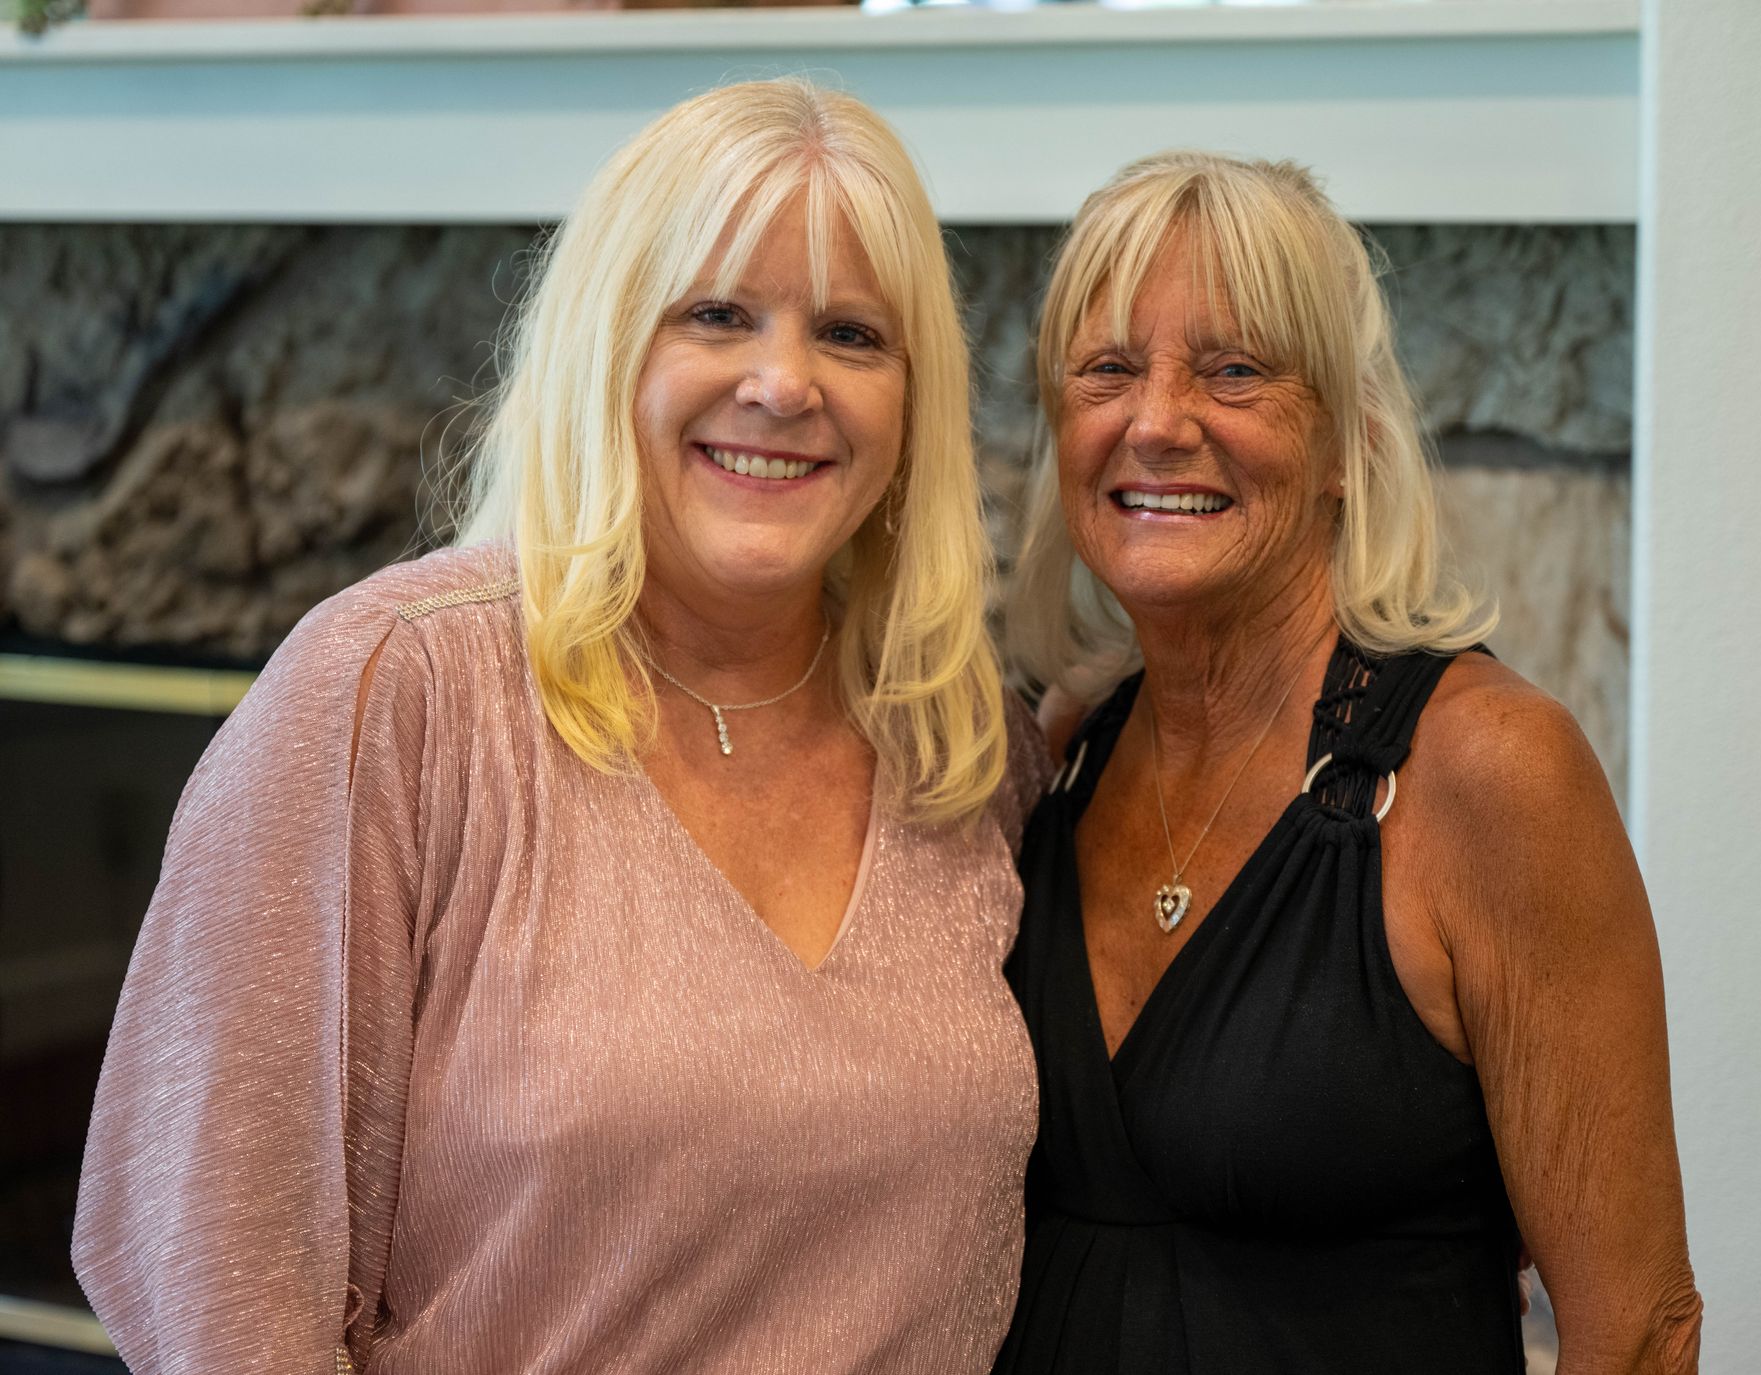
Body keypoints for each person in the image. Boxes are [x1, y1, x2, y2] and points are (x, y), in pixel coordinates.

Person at [73, 79, 1048, 1374]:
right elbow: (211, 1261)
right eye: (716, 313)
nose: (784, 382)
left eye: (854, 335)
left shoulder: (971, 753)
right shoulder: (398, 690)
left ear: (914, 400)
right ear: (605, 347)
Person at [993, 152, 1703, 1373]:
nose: (1158, 422)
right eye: (1109, 368)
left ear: (1343, 442)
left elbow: (1638, 1329)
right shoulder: (1055, 758)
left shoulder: (1487, 770)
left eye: (1235, 370)